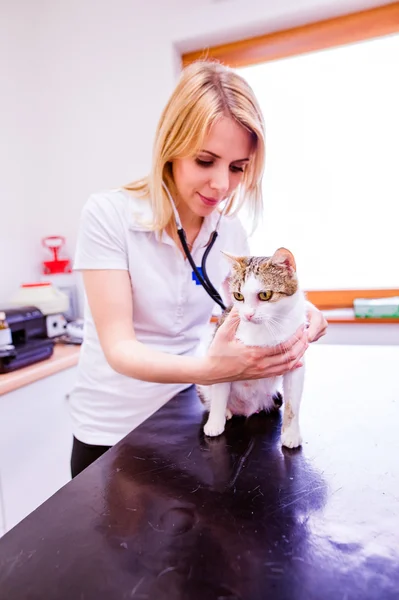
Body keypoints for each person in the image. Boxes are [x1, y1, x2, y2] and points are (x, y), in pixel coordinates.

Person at [69, 60, 327, 478]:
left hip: (187, 416)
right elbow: (119, 348)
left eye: (237, 167)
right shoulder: (108, 214)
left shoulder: (230, 234)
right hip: (110, 431)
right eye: (206, 161)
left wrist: (298, 313)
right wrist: (214, 369)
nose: (221, 185)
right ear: (170, 148)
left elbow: (240, 321)